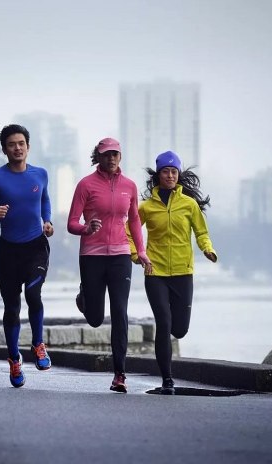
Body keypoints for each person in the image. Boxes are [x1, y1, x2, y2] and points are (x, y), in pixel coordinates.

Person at [129, 150, 217, 395]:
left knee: (179, 330)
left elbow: (201, 232)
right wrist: (136, 255)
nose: (170, 175)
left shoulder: (189, 205)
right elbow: (129, 231)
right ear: (158, 175)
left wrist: (207, 249)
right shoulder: (146, 207)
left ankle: (168, 371)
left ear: (178, 175)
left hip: (182, 272)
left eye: (174, 172)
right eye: (166, 172)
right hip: (155, 272)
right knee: (164, 323)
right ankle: (167, 379)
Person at [67, 137, 151, 393]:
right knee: (95, 319)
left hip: (120, 257)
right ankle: (84, 297)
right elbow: (71, 223)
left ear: (120, 157)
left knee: (120, 312)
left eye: (115, 154)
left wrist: (141, 251)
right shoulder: (85, 185)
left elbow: (134, 220)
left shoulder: (129, 186)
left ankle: (119, 374)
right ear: (99, 157)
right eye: (106, 154)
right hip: (91, 256)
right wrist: (86, 228)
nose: (111, 158)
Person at [0, 124, 54, 388]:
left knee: (33, 293)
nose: (17, 148)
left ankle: (38, 344)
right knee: (11, 308)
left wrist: (47, 221)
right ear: (4, 149)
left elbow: (44, 200)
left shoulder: (40, 174)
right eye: (12, 144)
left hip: (36, 246)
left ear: (28, 147)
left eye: (21, 143)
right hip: (9, 250)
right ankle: (13, 358)